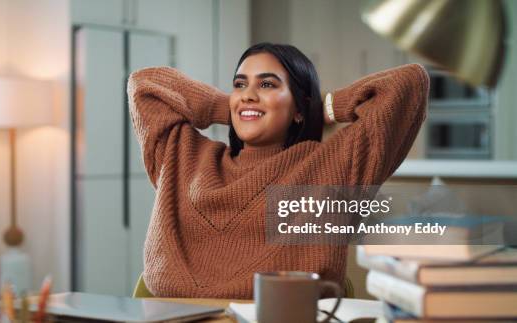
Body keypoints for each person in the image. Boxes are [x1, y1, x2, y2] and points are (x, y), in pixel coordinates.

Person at [127, 42, 429, 299]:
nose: (247, 93)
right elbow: (144, 85)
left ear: (299, 107)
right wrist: (233, 108)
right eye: (240, 84)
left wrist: (324, 107)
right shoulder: (183, 157)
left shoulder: (333, 167)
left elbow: (409, 82)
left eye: (267, 84)